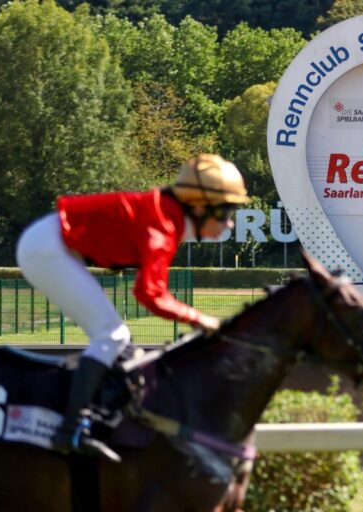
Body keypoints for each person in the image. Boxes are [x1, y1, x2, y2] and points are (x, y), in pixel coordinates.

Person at [16, 154, 251, 460]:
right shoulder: (163, 226)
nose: (229, 222)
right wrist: (201, 319)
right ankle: (71, 430)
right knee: (111, 336)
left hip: (52, 242)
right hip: (47, 248)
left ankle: (92, 419)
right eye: (225, 211)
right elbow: (149, 293)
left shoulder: (168, 217)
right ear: (198, 206)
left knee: (119, 341)